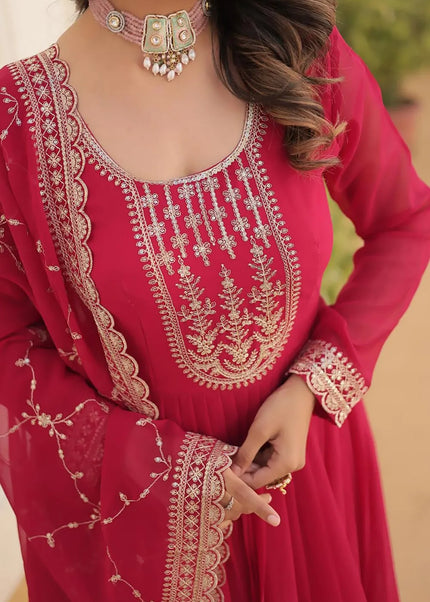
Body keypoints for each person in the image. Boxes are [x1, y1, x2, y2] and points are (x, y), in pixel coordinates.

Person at [0, 0, 429, 599]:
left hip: (311, 475)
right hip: (153, 524)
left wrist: (315, 383)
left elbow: (405, 220)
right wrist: (170, 474)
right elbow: (9, 349)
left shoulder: (294, 45)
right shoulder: (15, 124)